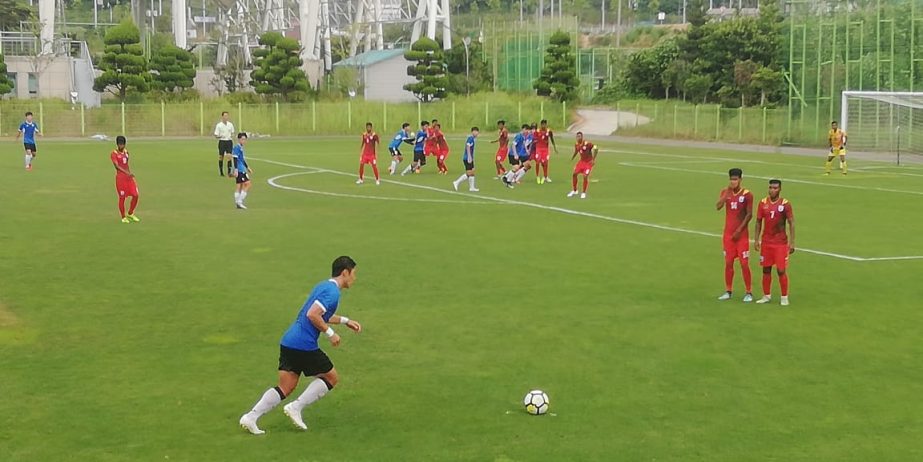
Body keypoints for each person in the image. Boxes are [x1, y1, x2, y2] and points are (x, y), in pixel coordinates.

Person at [239, 256, 363, 435]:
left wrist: (345, 321)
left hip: (289, 341)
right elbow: (313, 315)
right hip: (303, 344)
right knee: (331, 377)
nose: (355, 278)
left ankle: (250, 417)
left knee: (285, 387)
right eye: (354, 274)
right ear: (345, 272)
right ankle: (296, 407)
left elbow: (322, 314)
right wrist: (331, 334)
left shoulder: (323, 286)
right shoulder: (333, 292)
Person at [754, 179, 796, 306]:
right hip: (766, 242)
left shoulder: (785, 204)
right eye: (771, 188)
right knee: (766, 269)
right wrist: (756, 239)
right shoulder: (762, 203)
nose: (772, 190)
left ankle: (784, 297)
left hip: (780, 243)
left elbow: (791, 223)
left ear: (780, 189)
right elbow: (758, 222)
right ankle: (766, 295)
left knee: (781, 270)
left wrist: (792, 242)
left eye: (775, 188)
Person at [716, 168, 754, 303]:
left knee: (744, 264)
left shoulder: (747, 194)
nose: (733, 182)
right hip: (728, 235)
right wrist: (725, 195)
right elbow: (718, 206)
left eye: (736, 179)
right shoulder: (725, 192)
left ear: (740, 180)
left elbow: (749, 214)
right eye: (731, 179)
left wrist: (739, 230)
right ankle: (728, 291)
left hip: (741, 236)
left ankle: (749, 292)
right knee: (728, 263)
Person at [110, 136, 140, 223]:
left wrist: (128, 174)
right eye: (120, 144)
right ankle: (123, 217)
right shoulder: (114, 154)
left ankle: (130, 213)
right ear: (117, 144)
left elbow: (126, 164)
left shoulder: (127, 152)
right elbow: (116, 166)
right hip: (120, 179)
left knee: (136, 195)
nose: (121, 146)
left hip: (128, 178)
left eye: (123, 144)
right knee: (122, 197)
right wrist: (126, 173)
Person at [567, 132, 598, 199]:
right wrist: (572, 158)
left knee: (585, 176)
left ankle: (583, 192)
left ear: (582, 137)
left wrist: (593, 159)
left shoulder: (587, 144)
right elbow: (576, 151)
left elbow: (595, 148)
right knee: (574, 174)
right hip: (581, 162)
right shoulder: (576, 144)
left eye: (580, 136)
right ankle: (575, 190)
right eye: (577, 136)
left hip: (588, 163)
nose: (578, 138)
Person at [452, 127, 480, 192]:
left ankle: (472, 188)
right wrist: (469, 157)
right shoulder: (470, 138)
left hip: (470, 158)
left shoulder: (473, 139)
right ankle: (456, 182)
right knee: (469, 173)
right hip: (467, 158)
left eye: (477, 131)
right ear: (472, 132)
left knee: (472, 172)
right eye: (474, 131)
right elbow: (468, 146)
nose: (476, 133)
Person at [232, 132, 253, 209]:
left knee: (239, 186)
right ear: (239, 139)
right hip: (240, 169)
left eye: (245, 139)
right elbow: (235, 158)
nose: (244, 141)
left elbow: (242, 159)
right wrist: (236, 169)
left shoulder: (240, 147)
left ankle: (238, 203)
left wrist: (247, 167)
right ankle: (239, 202)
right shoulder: (237, 148)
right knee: (248, 184)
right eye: (242, 139)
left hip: (242, 168)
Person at [533, 119, 557, 184]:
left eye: (545, 124)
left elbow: (552, 139)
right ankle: (537, 176)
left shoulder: (549, 131)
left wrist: (554, 147)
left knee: (545, 163)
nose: (543, 125)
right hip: (538, 148)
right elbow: (534, 139)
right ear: (541, 125)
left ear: (546, 124)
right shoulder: (537, 131)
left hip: (545, 149)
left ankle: (545, 176)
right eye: (542, 124)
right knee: (537, 162)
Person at [214, 111, 236, 177]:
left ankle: (229, 172)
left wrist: (232, 135)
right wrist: (221, 136)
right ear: (222, 116)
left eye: (227, 116)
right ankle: (221, 172)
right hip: (222, 142)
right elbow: (216, 135)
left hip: (229, 141)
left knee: (229, 156)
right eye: (225, 116)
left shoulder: (230, 124)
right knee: (221, 156)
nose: (226, 117)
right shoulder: (219, 125)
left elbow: (232, 132)